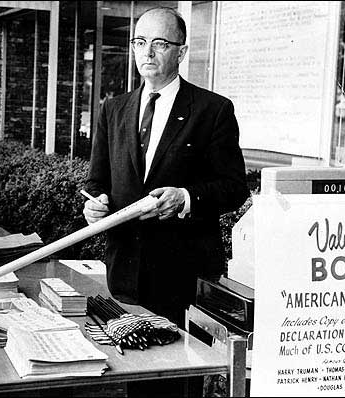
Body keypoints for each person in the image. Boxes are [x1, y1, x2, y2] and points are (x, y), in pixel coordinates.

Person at [83, 6, 249, 329]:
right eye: (139, 42)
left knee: (176, 377)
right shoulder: (113, 109)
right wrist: (95, 204)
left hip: (182, 280)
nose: (147, 52)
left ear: (181, 52)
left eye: (159, 44)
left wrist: (185, 198)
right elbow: (95, 182)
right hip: (123, 277)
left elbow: (234, 187)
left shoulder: (213, 111)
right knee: (128, 372)